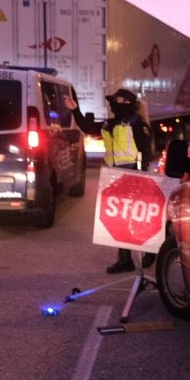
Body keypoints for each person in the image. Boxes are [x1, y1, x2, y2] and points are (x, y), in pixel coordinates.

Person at [64, 88, 154, 273]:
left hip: (133, 174)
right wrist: (75, 110)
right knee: (120, 220)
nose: (113, 104)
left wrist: (141, 175)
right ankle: (125, 259)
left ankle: (150, 250)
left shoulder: (136, 123)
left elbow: (146, 151)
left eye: (117, 100)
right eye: (112, 101)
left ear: (127, 103)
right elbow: (88, 128)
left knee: (138, 217)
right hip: (115, 176)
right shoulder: (109, 124)